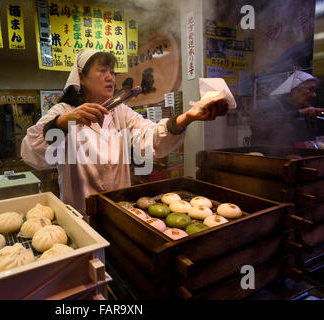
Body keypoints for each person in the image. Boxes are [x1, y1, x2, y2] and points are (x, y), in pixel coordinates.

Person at [21, 49, 228, 214]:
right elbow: (32, 150)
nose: (111, 78)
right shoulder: (63, 111)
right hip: (81, 215)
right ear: (81, 78)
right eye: (102, 71)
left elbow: (151, 137)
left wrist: (187, 118)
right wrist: (62, 123)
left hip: (120, 210)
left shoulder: (121, 112)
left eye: (112, 72)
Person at [250, 71, 324, 147]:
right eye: (311, 89)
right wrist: (299, 113)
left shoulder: (305, 111)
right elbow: (260, 126)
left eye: (315, 91)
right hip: (269, 157)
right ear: (294, 91)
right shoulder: (270, 104)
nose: (314, 95)